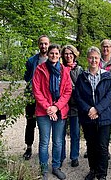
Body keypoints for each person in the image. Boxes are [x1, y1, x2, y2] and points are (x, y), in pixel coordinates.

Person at [32, 44, 72, 180]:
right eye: (51, 53)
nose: (54, 56)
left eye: (56, 54)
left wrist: (56, 107)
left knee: (58, 141)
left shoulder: (64, 71)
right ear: (48, 54)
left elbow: (67, 92)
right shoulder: (40, 69)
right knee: (44, 141)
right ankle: (43, 169)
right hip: (43, 111)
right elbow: (36, 91)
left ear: (59, 55)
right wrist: (49, 108)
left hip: (59, 111)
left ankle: (56, 167)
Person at [75, 46, 111, 180]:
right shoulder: (82, 76)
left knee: (103, 146)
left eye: (96, 58)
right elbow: (78, 96)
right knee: (91, 145)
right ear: (87, 59)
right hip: (88, 117)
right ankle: (92, 170)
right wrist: (89, 110)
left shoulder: (106, 75)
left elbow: (110, 95)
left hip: (104, 116)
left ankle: (102, 174)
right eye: (91, 58)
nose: (93, 60)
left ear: (100, 60)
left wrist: (97, 109)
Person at [23, 35, 50, 160]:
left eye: (45, 44)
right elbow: (27, 77)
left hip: (47, 98)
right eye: (41, 44)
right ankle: (28, 147)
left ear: (49, 44)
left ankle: (43, 148)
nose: (43, 46)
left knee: (45, 123)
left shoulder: (53, 59)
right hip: (32, 96)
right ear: (38, 45)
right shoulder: (31, 61)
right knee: (30, 122)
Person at [60, 45, 83, 168]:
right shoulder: (59, 68)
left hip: (75, 105)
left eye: (70, 54)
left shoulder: (79, 69)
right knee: (61, 133)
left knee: (75, 133)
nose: (68, 56)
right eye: (66, 54)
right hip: (62, 105)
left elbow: (81, 86)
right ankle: (61, 156)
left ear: (74, 55)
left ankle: (74, 156)